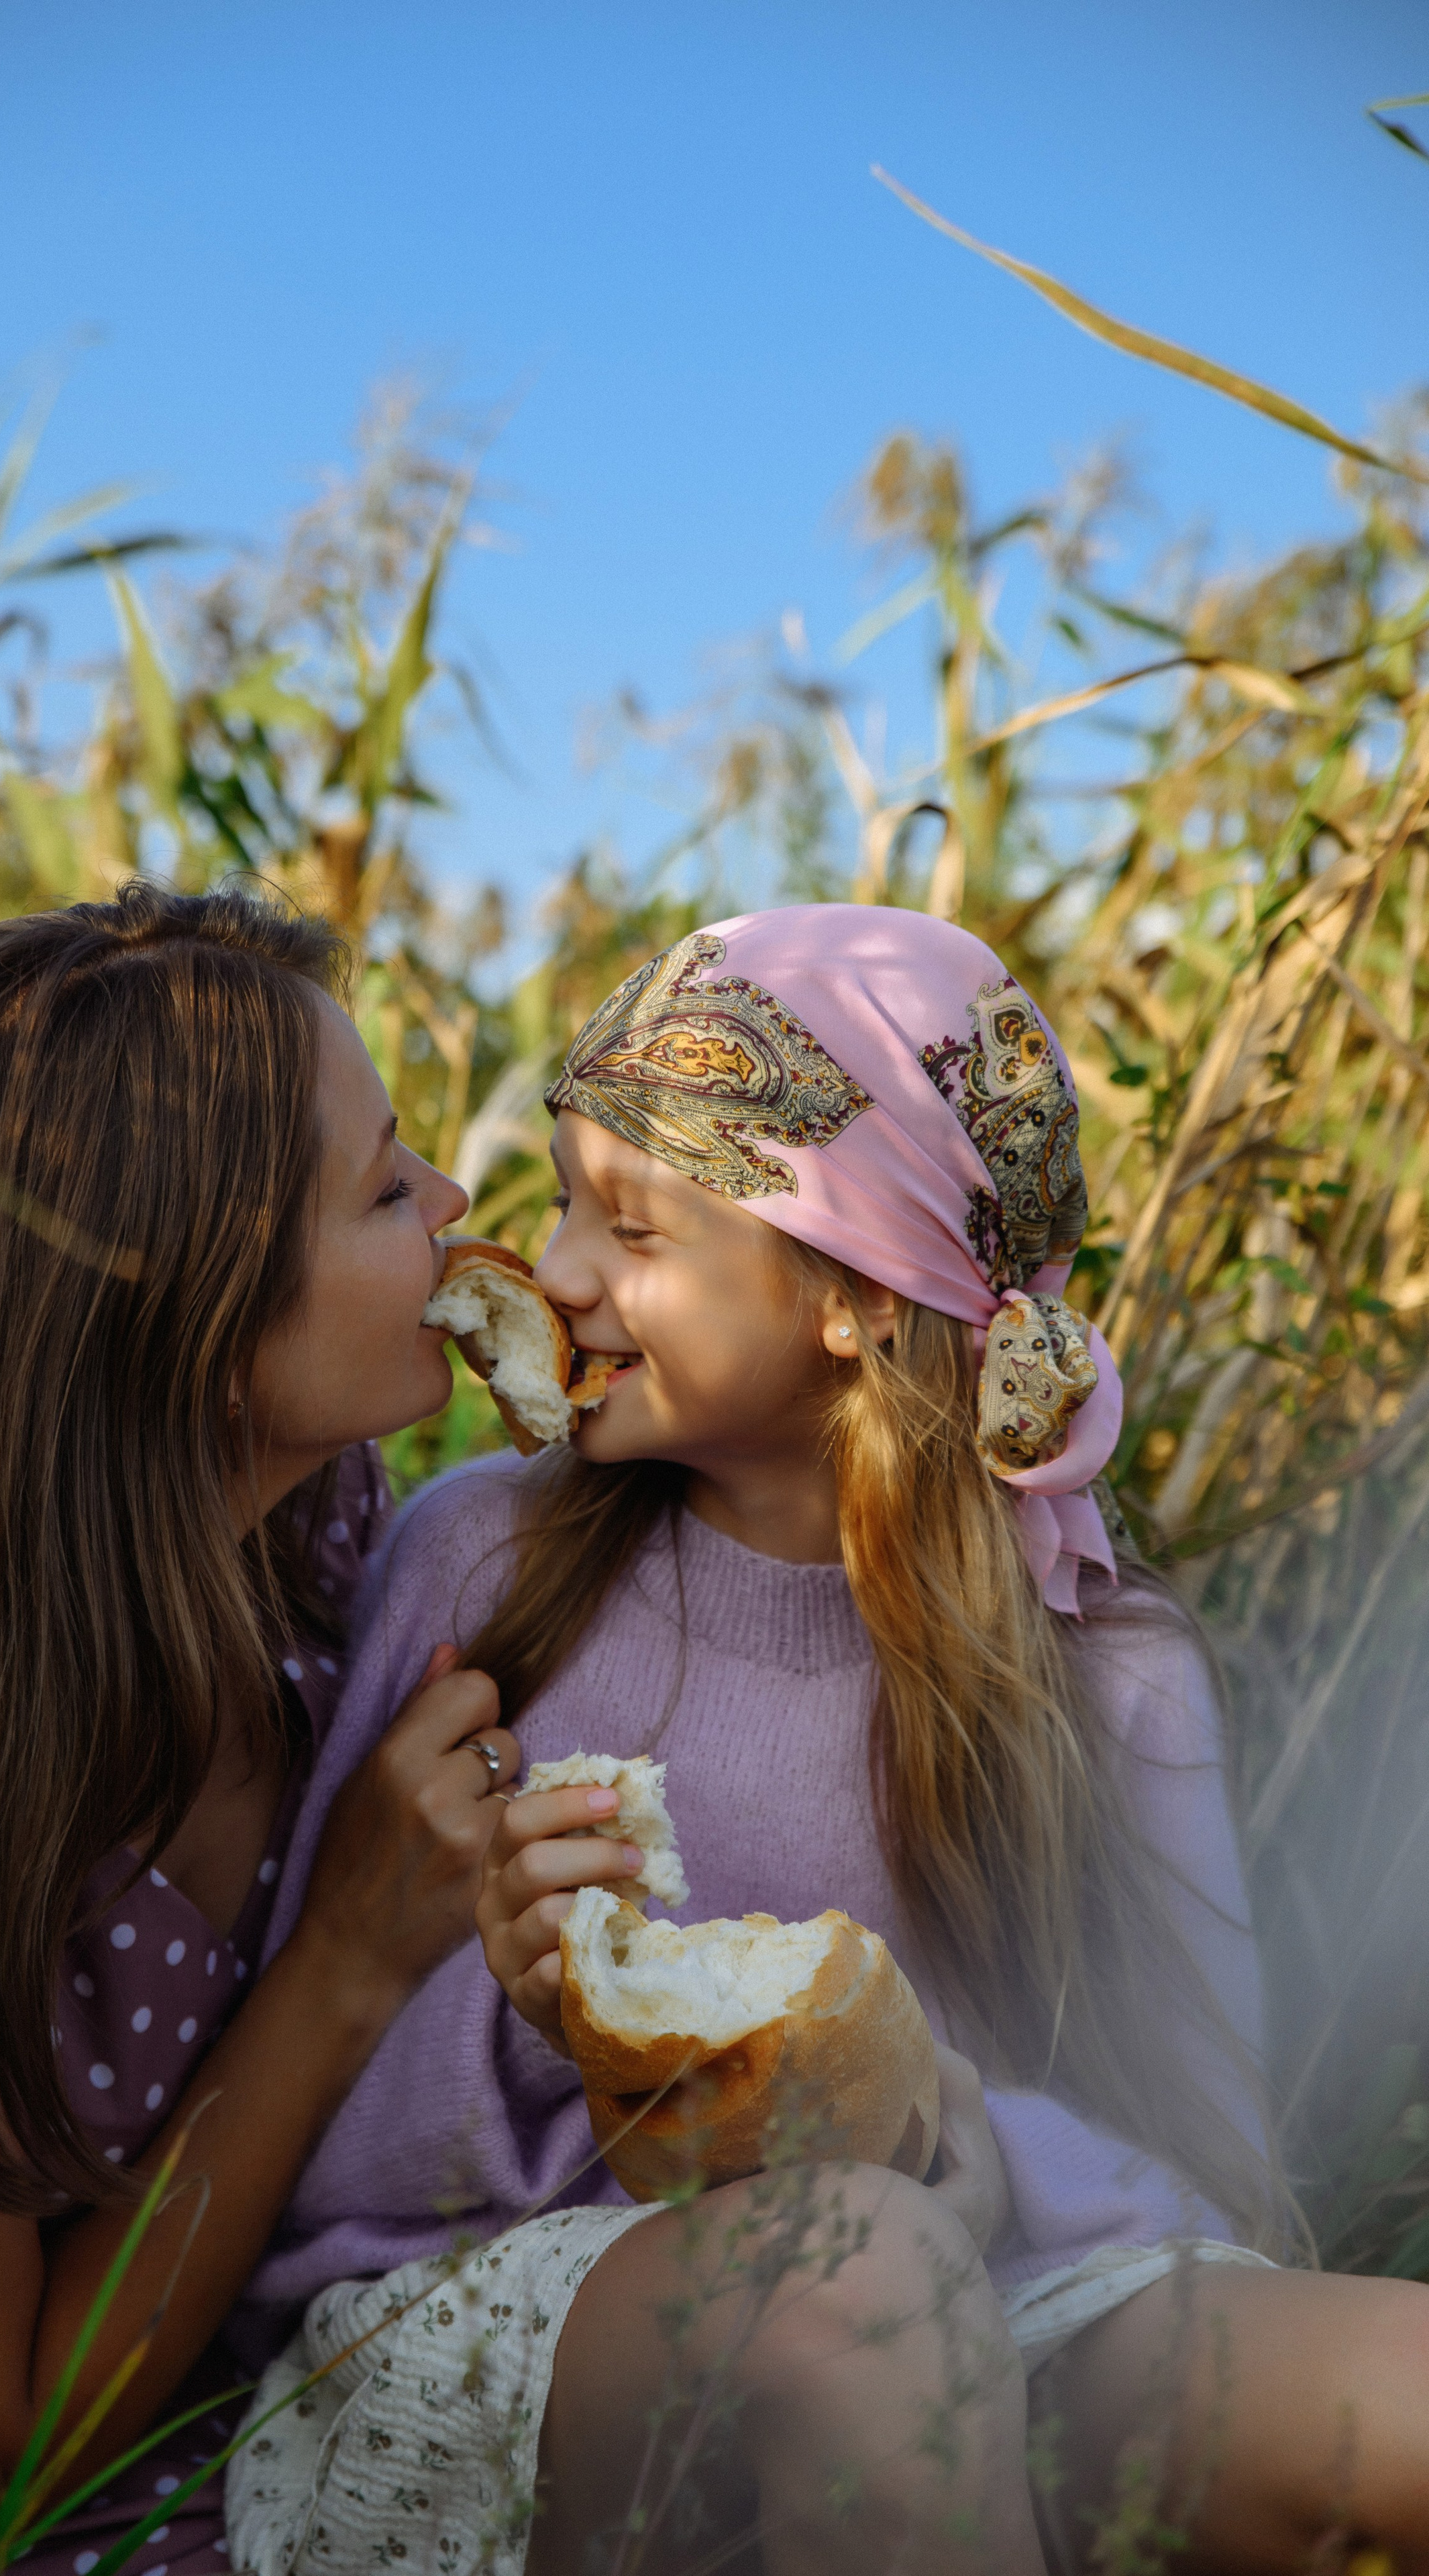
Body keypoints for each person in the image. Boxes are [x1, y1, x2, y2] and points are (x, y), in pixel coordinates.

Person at [230, 908, 1429, 2576]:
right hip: (525, 2320)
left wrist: (962, 2147)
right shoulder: (482, 1562)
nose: (553, 1269)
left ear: (854, 1297)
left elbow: (1194, 2162)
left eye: (628, 1224)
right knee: (855, 2292)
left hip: (987, 2287)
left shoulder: (1106, 1668)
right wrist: (539, 2005)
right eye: (564, 1198)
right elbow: (341, 2170)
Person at [0, 882, 524, 2573]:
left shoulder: (304, 1546)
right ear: (185, 1316)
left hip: (254, 2406)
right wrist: (349, 1957)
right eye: (384, 1187)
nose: (456, 1208)